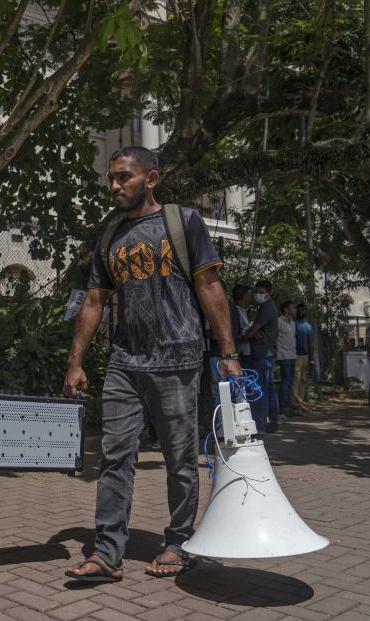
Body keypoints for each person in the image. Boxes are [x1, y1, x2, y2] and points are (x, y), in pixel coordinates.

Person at [61, 146, 240, 583]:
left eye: (124, 177)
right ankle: (107, 552)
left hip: (179, 358)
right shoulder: (110, 236)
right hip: (126, 361)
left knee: (180, 457)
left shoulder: (184, 223)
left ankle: (179, 541)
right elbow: (95, 300)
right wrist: (76, 360)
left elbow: (209, 285)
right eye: (112, 179)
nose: (115, 186)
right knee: (114, 454)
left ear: (151, 179)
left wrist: (229, 352)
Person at [244, 280, 280, 432]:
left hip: (263, 353)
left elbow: (255, 328)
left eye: (262, 292)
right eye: (257, 292)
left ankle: (259, 425)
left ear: (268, 293)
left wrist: (244, 336)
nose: (259, 295)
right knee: (269, 388)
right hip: (267, 353)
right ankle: (273, 421)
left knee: (261, 389)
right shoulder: (267, 307)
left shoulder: (266, 308)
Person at [276, 300, 298, 416]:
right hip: (284, 355)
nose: (295, 310)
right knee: (285, 382)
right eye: (293, 308)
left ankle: (288, 404)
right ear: (286, 309)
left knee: (290, 382)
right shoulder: (279, 321)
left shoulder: (292, 322)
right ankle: (283, 406)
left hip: (292, 355)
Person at [293, 303, 314, 412]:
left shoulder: (308, 326)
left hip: (305, 355)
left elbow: (310, 343)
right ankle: (295, 402)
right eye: (299, 310)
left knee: (302, 379)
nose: (301, 312)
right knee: (295, 378)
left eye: (303, 310)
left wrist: (312, 358)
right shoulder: (293, 324)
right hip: (295, 355)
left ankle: (300, 402)